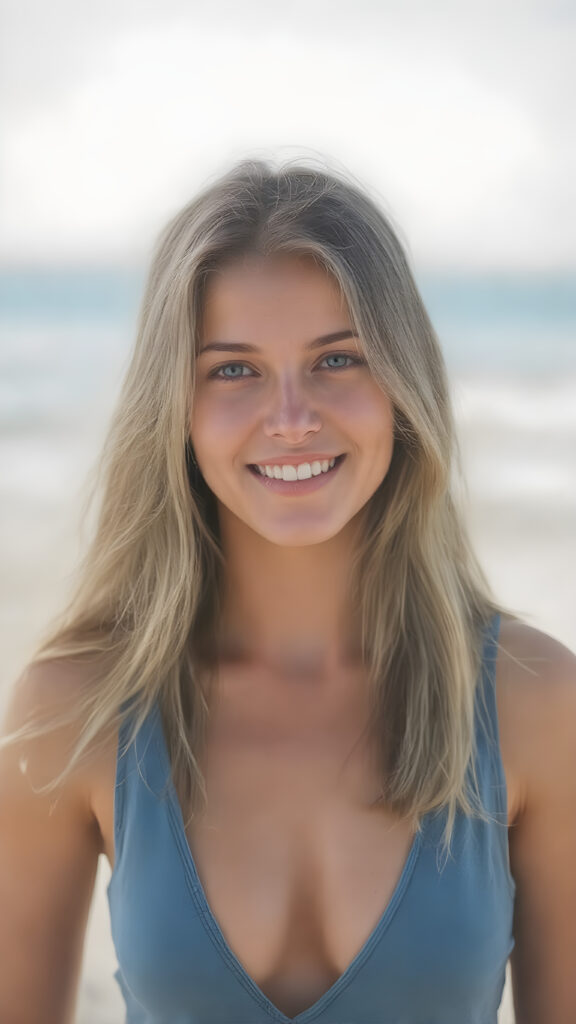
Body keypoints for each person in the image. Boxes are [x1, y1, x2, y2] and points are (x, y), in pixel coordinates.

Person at [0, 158, 575, 1024]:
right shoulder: (76, 707)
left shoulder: (536, 703)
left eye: (338, 358)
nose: (294, 417)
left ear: (402, 386)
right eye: (235, 370)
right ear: (177, 407)